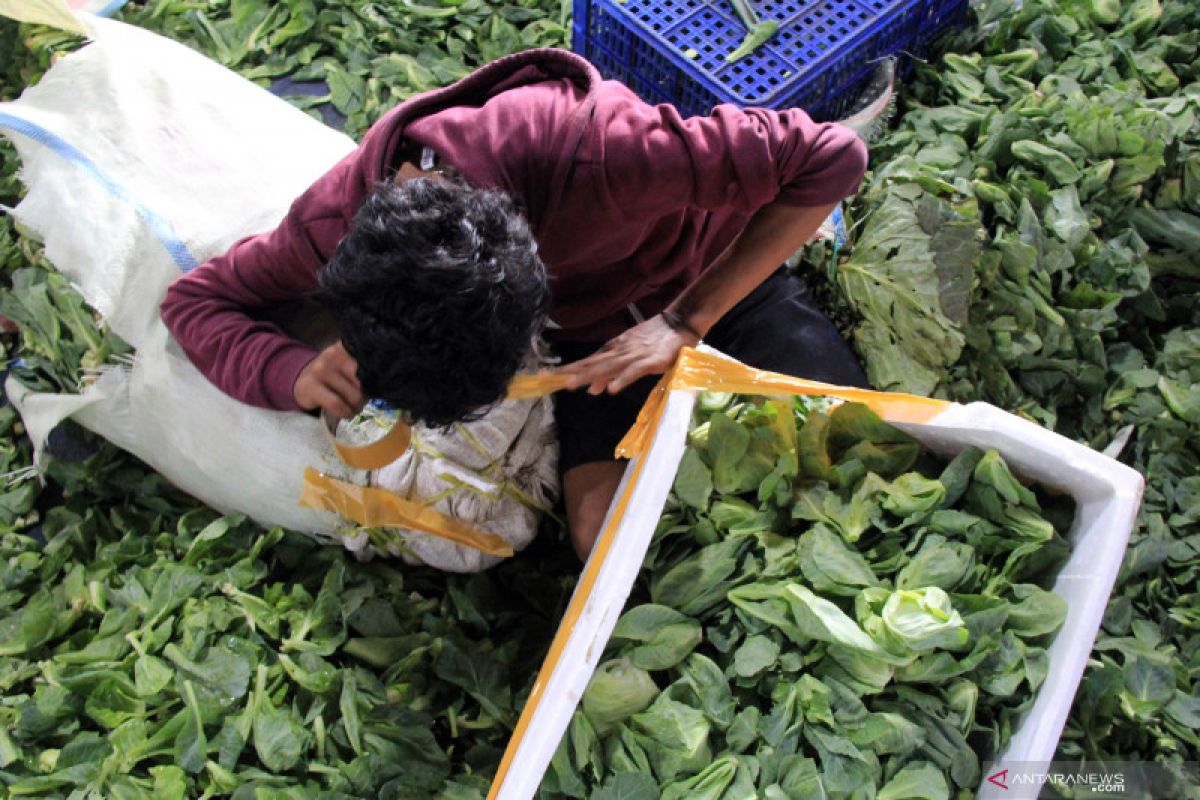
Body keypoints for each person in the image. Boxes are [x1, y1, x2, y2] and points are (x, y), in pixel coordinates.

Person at [160, 47, 870, 561]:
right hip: (591, 351)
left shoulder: (605, 154)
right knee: (608, 545)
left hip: (706, 283)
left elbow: (832, 157)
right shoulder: (325, 229)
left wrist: (686, 319)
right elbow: (196, 301)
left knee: (855, 450)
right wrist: (291, 372)